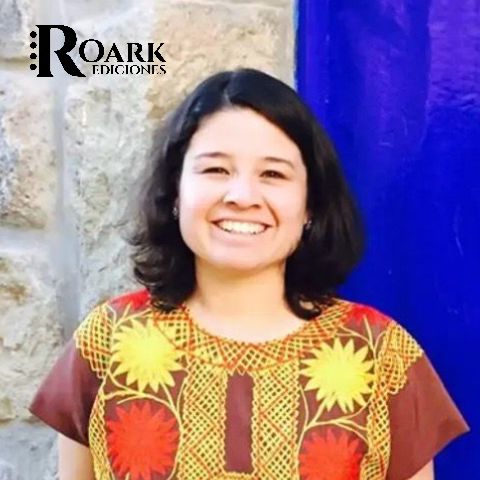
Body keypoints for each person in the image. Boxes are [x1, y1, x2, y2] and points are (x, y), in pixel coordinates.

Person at [29, 68, 468, 480]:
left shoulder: (381, 356)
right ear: (175, 192)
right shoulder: (106, 343)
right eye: (216, 169)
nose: (242, 195)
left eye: (273, 174)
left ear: (310, 205)